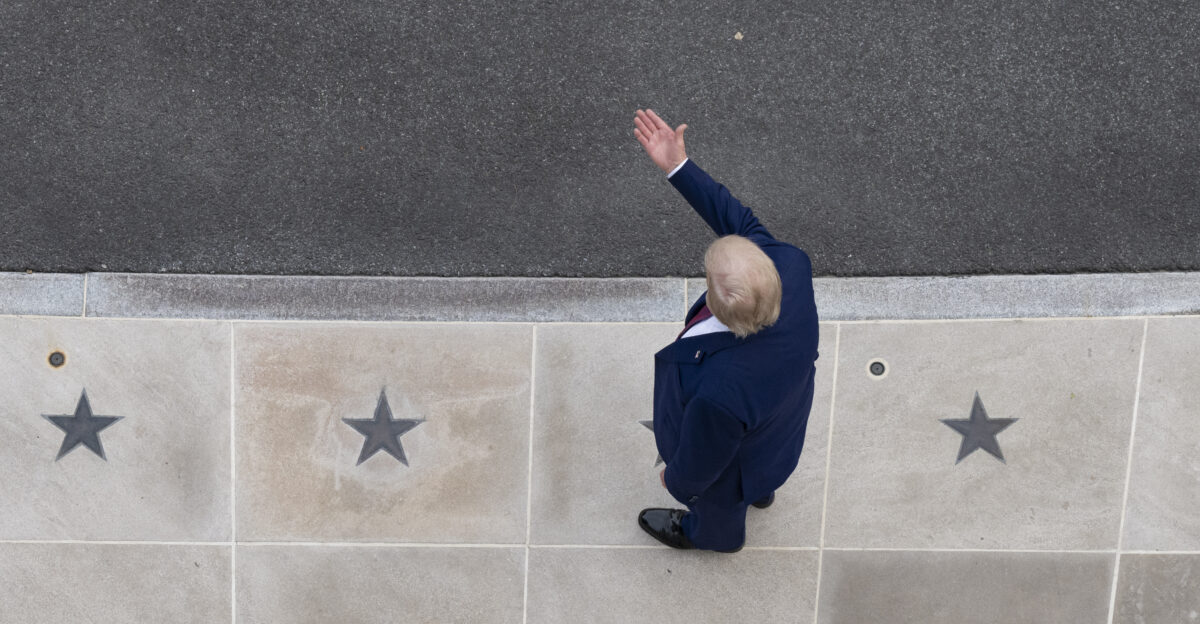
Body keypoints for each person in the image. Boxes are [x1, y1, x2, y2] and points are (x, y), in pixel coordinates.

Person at [633, 109, 820, 553]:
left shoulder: (721, 391)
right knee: (760, 469)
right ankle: (761, 490)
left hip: (731, 464)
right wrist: (677, 165)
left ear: (716, 303)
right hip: (780, 432)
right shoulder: (789, 267)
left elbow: (702, 458)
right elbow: (739, 220)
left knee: (719, 504)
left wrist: (676, 480)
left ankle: (715, 537)